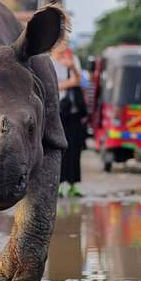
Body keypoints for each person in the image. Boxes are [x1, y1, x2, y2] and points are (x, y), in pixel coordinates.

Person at [51, 39, 85, 198]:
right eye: (61, 43)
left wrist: (71, 67)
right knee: (58, 148)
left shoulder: (72, 59)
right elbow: (49, 86)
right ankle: (58, 184)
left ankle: (73, 185)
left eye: (66, 43)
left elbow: (78, 81)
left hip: (72, 111)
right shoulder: (48, 61)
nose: (64, 46)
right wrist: (68, 83)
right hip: (55, 111)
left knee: (74, 149)